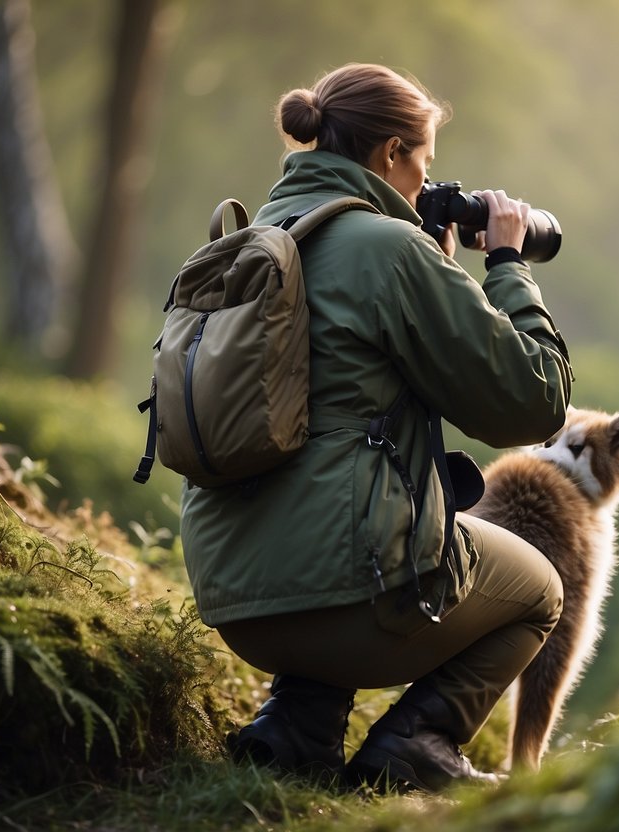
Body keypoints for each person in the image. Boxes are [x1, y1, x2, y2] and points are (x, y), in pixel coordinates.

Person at [179, 62, 572, 792]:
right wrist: (508, 265)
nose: (425, 185)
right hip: (348, 605)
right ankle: (418, 743)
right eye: (423, 165)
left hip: (234, 596)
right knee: (539, 592)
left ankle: (295, 729)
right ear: (391, 153)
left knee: (336, 510)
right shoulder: (389, 251)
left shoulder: (251, 238)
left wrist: (437, 268)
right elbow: (533, 404)